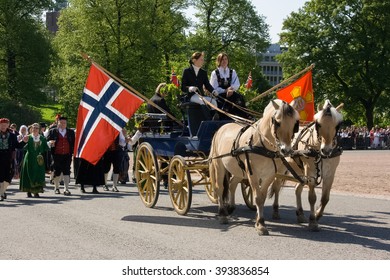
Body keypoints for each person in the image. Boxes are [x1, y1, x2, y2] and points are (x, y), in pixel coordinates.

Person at [210, 52, 248, 119]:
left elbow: (236, 84)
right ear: (219, 61)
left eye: (225, 59)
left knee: (239, 98)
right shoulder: (215, 73)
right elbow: (213, 88)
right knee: (225, 100)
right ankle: (223, 116)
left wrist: (230, 89)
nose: (224, 61)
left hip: (231, 93)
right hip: (220, 95)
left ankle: (243, 117)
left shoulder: (232, 71)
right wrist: (225, 90)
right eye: (222, 59)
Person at [46, 116, 75, 195]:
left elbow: (74, 143)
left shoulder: (70, 132)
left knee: (66, 171)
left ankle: (66, 189)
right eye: (61, 123)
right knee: (57, 171)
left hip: (67, 155)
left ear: (66, 124)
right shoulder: (52, 131)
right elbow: (46, 143)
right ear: (58, 123)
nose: (63, 124)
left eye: (64, 123)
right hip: (56, 155)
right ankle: (56, 187)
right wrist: (50, 143)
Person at [19, 123, 50, 198]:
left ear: (39, 130)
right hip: (29, 158)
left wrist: (50, 144)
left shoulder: (42, 138)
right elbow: (21, 146)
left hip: (39, 159)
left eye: (36, 128)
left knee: (38, 174)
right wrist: (23, 141)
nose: (35, 129)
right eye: (33, 128)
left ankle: (36, 192)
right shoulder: (28, 137)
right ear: (31, 129)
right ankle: (29, 191)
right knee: (29, 173)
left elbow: (45, 148)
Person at [0, 118, 24, 201]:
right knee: (0, 176)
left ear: (7, 125)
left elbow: (18, 146)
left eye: (5, 125)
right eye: (1, 125)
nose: (3, 126)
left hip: (9, 157)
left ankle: (2, 192)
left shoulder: (12, 135)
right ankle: (1, 193)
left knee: (8, 176)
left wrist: (24, 141)